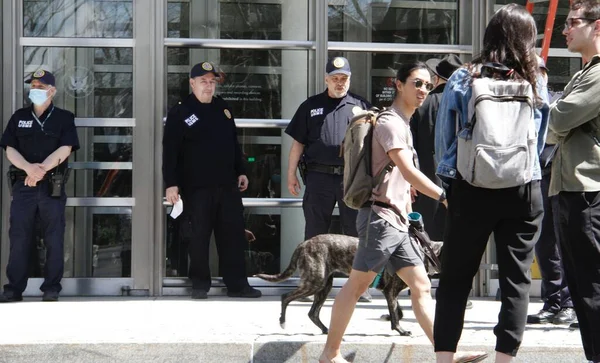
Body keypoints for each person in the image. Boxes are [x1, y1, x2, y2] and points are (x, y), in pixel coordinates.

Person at [318, 62, 487, 363]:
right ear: (398, 85)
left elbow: (401, 177)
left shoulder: (404, 124)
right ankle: (330, 353)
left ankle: (446, 352)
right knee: (357, 286)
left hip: (397, 222)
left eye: (427, 84)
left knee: (421, 286)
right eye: (416, 83)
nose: (423, 89)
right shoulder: (390, 123)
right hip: (380, 221)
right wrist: (444, 196)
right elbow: (408, 171)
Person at [433, 4, 549, 363]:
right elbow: (539, 141)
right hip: (522, 190)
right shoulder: (536, 79)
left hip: (471, 188)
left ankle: (443, 360)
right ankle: (505, 360)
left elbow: (445, 141)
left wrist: (449, 186)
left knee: (454, 280)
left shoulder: (464, 78)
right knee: (516, 284)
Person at [162, 61, 261, 300]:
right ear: (192, 83)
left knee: (233, 237)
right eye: (203, 81)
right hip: (196, 188)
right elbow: (170, 151)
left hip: (227, 186)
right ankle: (199, 285)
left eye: (212, 81)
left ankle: (237, 285)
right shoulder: (180, 111)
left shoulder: (223, 108)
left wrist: (241, 170)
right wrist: (171, 183)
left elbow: (233, 144)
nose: (208, 86)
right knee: (198, 238)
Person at [285, 56, 372, 302]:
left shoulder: (360, 105)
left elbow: (374, 145)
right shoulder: (310, 106)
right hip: (318, 178)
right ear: (326, 79)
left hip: (351, 178)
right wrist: (291, 174)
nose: (339, 83)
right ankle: (310, 286)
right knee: (315, 233)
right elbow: (297, 144)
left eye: (344, 78)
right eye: (335, 78)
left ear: (350, 79)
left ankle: (360, 287)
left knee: (355, 233)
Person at [548, 1, 600, 360]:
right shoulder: (583, 74)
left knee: (592, 285)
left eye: (572, 22)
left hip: (587, 193)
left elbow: (559, 120)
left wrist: (555, 115)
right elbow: (554, 130)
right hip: (569, 189)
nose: (565, 29)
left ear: (597, 26)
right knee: (581, 286)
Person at [0, 70, 80, 302]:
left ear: (52, 91)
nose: (35, 89)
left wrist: (41, 170)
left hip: (51, 187)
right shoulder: (19, 117)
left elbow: (66, 148)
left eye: (41, 86)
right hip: (24, 185)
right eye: (33, 85)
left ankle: (51, 288)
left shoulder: (64, 118)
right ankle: (14, 288)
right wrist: (29, 169)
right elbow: (9, 149)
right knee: (19, 237)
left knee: (53, 237)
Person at [527, 57, 576, 326]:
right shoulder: (523, 102)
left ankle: (569, 303)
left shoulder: (558, 98)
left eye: (536, 72)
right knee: (544, 243)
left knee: (563, 241)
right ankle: (552, 301)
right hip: (536, 178)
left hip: (561, 176)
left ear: (544, 74)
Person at [410, 54, 462, 241]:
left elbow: (410, 145)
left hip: (425, 182)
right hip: (459, 183)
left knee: (426, 240)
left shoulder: (421, 105)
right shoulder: (464, 105)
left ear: (437, 79)